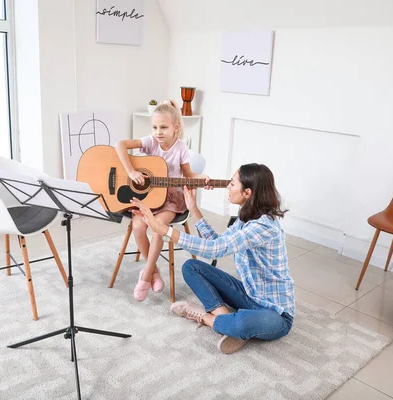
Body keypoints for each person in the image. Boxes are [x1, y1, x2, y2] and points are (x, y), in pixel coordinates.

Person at [130, 163, 295, 354]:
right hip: (249, 294)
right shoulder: (245, 218)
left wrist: (164, 230)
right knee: (191, 267)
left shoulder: (263, 227)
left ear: (247, 192)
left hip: (276, 313)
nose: (228, 187)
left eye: (232, 184)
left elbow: (214, 249)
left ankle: (206, 318)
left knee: (242, 323)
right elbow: (218, 243)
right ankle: (227, 323)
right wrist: (194, 208)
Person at [115, 100, 210, 302]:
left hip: (172, 199)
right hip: (149, 197)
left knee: (159, 227)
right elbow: (120, 145)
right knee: (138, 226)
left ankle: (146, 273)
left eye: (164, 127)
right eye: (155, 127)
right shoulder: (150, 142)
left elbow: (189, 175)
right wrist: (131, 172)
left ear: (175, 128)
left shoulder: (182, 148)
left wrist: (203, 179)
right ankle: (156, 271)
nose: (158, 132)